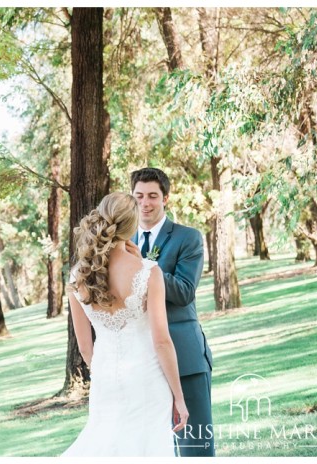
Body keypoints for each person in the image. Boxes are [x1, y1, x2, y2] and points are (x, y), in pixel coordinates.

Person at [62, 192, 188, 457]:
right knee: (149, 448)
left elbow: (85, 349)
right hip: (147, 378)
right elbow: (162, 341)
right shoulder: (148, 272)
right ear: (131, 227)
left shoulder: (77, 277)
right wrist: (179, 395)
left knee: (108, 444)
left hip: (105, 377)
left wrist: (104, 373)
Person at [130, 167, 214, 456]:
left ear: (166, 197)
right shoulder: (122, 243)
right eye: (139, 196)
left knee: (196, 448)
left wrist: (142, 267)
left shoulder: (187, 238)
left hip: (185, 357)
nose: (145, 203)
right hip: (141, 360)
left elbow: (183, 292)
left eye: (153, 196)